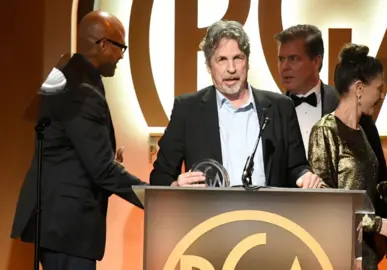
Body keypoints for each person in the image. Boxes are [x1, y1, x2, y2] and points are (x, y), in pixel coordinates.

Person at [11, 11, 147, 270]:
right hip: (68, 229)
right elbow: (102, 170)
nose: (121, 57)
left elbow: (67, 147)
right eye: (121, 48)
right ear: (104, 45)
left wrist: (103, 157)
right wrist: (154, 199)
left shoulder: (66, 74)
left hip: (57, 225)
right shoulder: (83, 91)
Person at [149, 20, 322, 188]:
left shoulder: (281, 107)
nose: (231, 68)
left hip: (269, 216)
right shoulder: (187, 109)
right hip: (210, 216)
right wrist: (176, 186)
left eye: (238, 58)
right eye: (221, 60)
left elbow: (296, 167)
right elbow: (160, 176)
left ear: (247, 62)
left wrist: (305, 176)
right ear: (209, 66)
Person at [308, 43, 387, 270]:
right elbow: (323, 201)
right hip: (337, 254)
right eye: (379, 88)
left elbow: (371, 187)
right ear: (360, 88)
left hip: (367, 253)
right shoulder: (326, 130)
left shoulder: (363, 131)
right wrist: (377, 223)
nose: (382, 95)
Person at [274, 25, 387, 195]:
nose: (284, 67)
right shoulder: (272, 112)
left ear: (316, 61)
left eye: (293, 59)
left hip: (343, 215)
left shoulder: (350, 105)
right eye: (281, 59)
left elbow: (377, 175)